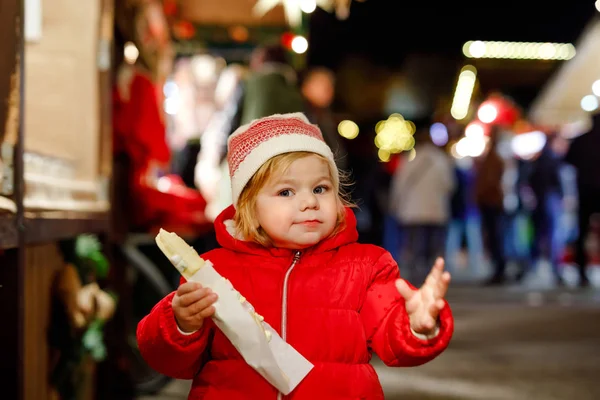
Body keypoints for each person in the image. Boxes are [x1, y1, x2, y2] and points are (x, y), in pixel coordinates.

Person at [137, 113, 454, 399]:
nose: (309, 202)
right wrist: (180, 323)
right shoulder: (215, 270)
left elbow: (390, 333)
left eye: (320, 189)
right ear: (249, 207)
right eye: (286, 192)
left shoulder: (366, 266)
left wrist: (416, 325)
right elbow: (169, 360)